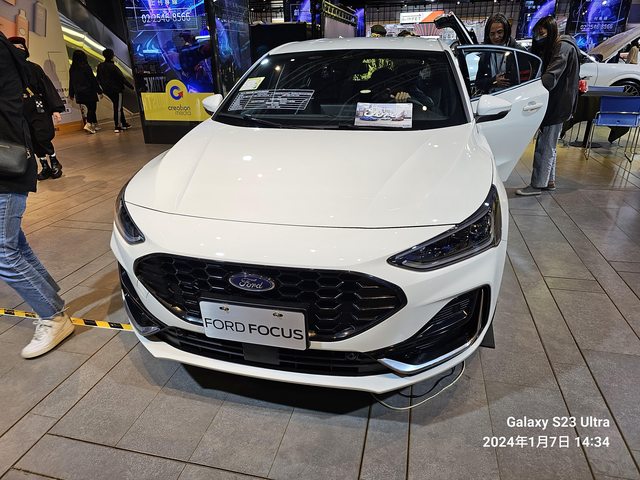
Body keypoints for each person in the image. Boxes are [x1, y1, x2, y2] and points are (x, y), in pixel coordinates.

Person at [0, 32, 74, 359]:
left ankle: (53, 316)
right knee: (14, 244)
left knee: (4, 253)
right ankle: (51, 301)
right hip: (11, 161)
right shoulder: (7, 53)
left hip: (6, 168)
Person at [516, 16, 579, 196]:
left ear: (551, 30)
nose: (539, 37)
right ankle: (549, 181)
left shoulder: (562, 47)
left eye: (542, 33)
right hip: (559, 103)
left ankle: (537, 185)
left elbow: (551, 78)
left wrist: (530, 90)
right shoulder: (563, 45)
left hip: (557, 104)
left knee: (545, 145)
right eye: (537, 33)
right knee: (550, 143)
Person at [8, 36, 65, 181]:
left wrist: (56, 109)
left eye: (21, 47)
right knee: (30, 139)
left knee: (42, 135)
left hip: (37, 106)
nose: (18, 50)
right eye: (14, 48)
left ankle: (54, 161)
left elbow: (47, 87)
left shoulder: (34, 68)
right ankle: (44, 166)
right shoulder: (7, 72)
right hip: (19, 109)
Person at [476, 13, 520, 93]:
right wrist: (493, 81)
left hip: (513, 96)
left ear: (506, 31)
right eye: (492, 34)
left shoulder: (518, 52)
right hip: (491, 97)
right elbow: (478, 83)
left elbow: (526, 81)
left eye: (499, 32)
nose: (496, 37)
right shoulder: (486, 54)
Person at [97, 48, 133, 133]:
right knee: (118, 107)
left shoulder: (100, 66)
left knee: (117, 106)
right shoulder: (113, 67)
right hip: (116, 89)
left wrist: (100, 89)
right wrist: (131, 86)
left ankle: (123, 123)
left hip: (107, 90)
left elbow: (97, 78)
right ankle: (118, 125)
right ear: (112, 56)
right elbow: (122, 78)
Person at [69, 50, 102, 134]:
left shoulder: (72, 69)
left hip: (79, 93)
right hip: (89, 91)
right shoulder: (86, 67)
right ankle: (89, 124)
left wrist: (71, 93)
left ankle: (95, 124)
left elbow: (71, 82)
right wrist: (99, 91)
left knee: (90, 107)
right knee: (92, 108)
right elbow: (92, 80)